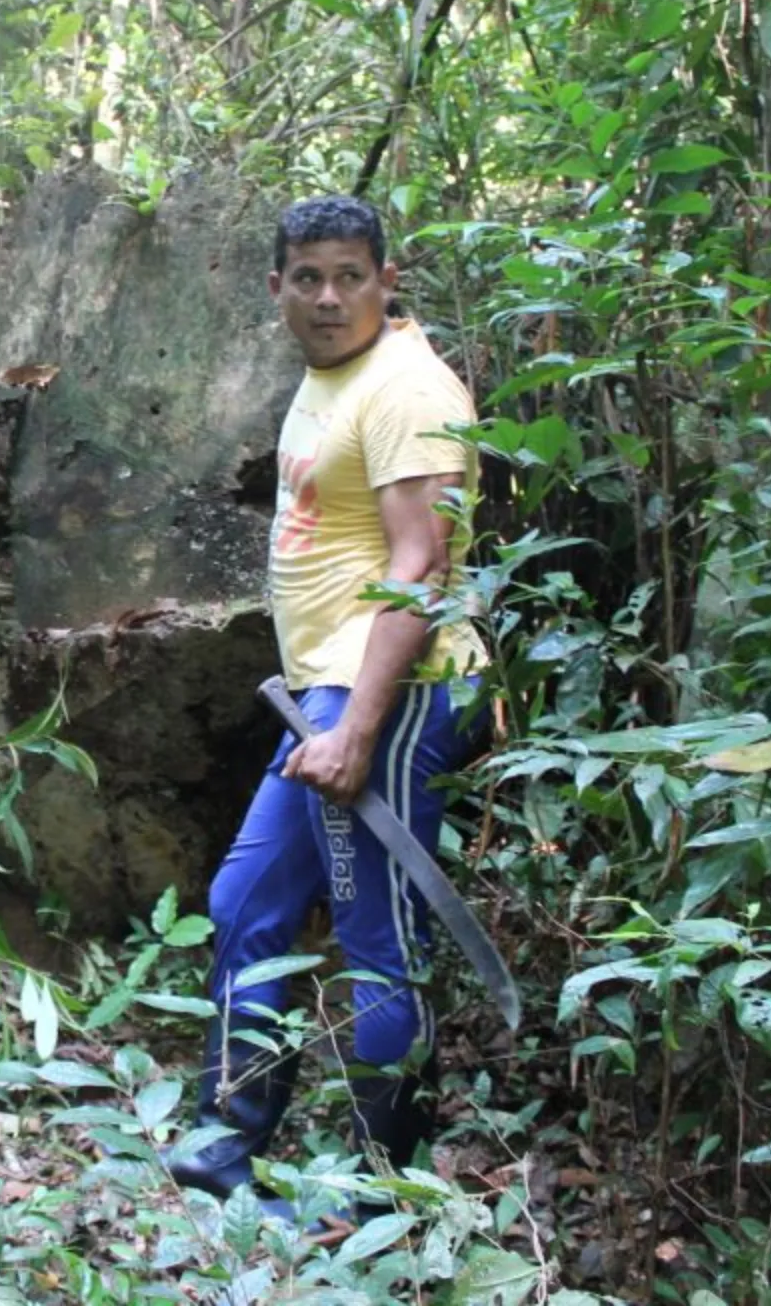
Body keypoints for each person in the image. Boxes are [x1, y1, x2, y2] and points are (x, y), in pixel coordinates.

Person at [163, 194, 488, 1224]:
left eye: (351, 274)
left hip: (390, 693)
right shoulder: (326, 377)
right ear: (277, 288)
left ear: (388, 281)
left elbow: (421, 561)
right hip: (326, 695)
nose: (329, 296)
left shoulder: (407, 387)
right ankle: (228, 1142)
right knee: (245, 902)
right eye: (308, 277)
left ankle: (381, 1200)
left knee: (377, 938)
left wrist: (356, 726)